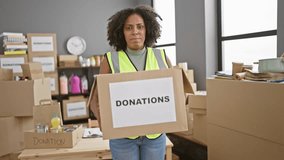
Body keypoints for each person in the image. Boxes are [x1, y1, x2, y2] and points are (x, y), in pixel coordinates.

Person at [90, 5, 172, 160]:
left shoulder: (161, 56)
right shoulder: (110, 60)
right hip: (123, 138)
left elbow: (175, 91)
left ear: (147, 29)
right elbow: (95, 99)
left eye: (140, 27)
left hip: (154, 136)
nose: (135, 32)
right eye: (129, 28)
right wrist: (102, 121)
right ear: (121, 32)